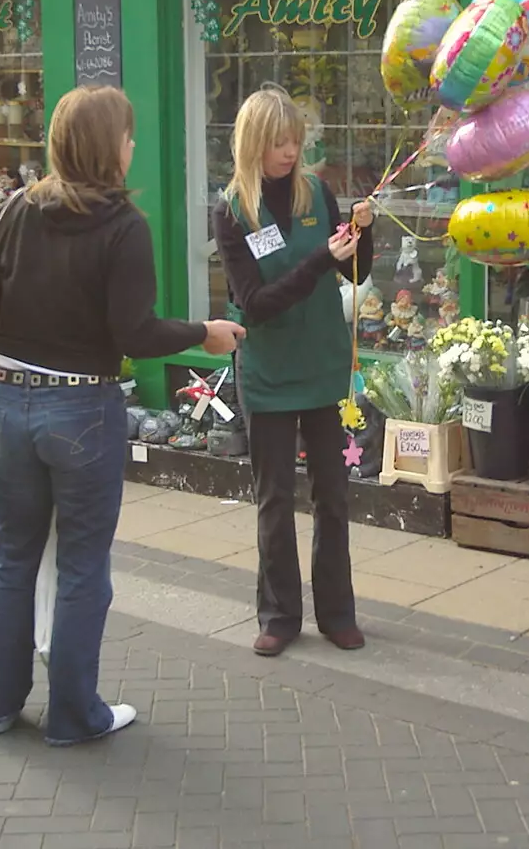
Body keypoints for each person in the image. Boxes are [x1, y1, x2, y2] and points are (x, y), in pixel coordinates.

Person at [0, 86, 243, 747]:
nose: (132, 146)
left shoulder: (13, 209)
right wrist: (203, 331)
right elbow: (135, 333)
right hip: (80, 407)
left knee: (14, 555)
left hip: (6, 397)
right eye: (127, 136)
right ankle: (73, 716)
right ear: (106, 147)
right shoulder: (123, 226)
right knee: (83, 565)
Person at [212, 84, 374, 658]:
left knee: (332, 495)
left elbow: (352, 274)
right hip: (270, 369)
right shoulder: (233, 211)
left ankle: (337, 614)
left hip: (324, 363)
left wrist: (361, 235)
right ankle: (280, 615)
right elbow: (254, 303)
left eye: (295, 142)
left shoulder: (317, 193)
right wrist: (320, 260)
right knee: (275, 498)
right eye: (278, 142)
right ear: (253, 142)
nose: (288, 152)